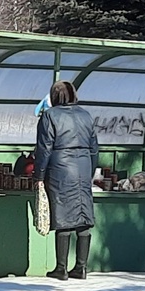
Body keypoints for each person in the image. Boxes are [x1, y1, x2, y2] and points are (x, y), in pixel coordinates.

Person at [35, 79, 99, 279]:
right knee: (83, 218)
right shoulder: (86, 115)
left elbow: (44, 149)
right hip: (83, 167)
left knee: (62, 217)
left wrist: (39, 176)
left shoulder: (50, 116)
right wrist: (89, 171)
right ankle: (81, 267)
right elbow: (95, 149)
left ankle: (60, 268)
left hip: (60, 168)